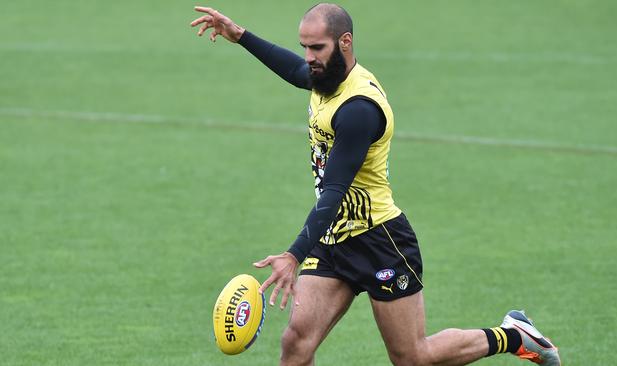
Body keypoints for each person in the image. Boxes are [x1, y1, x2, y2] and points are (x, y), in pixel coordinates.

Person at [190, 3, 561, 366]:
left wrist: (293, 255)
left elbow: (334, 190)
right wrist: (240, 36)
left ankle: (514, 335)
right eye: (305, 46)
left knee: (414, 357)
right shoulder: (324, 76)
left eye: (317, 47)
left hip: (379, 241)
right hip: (335, 236)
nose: (309, 56)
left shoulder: (358, 109)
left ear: (345, 42)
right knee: (296, 344)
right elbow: (294, 70)